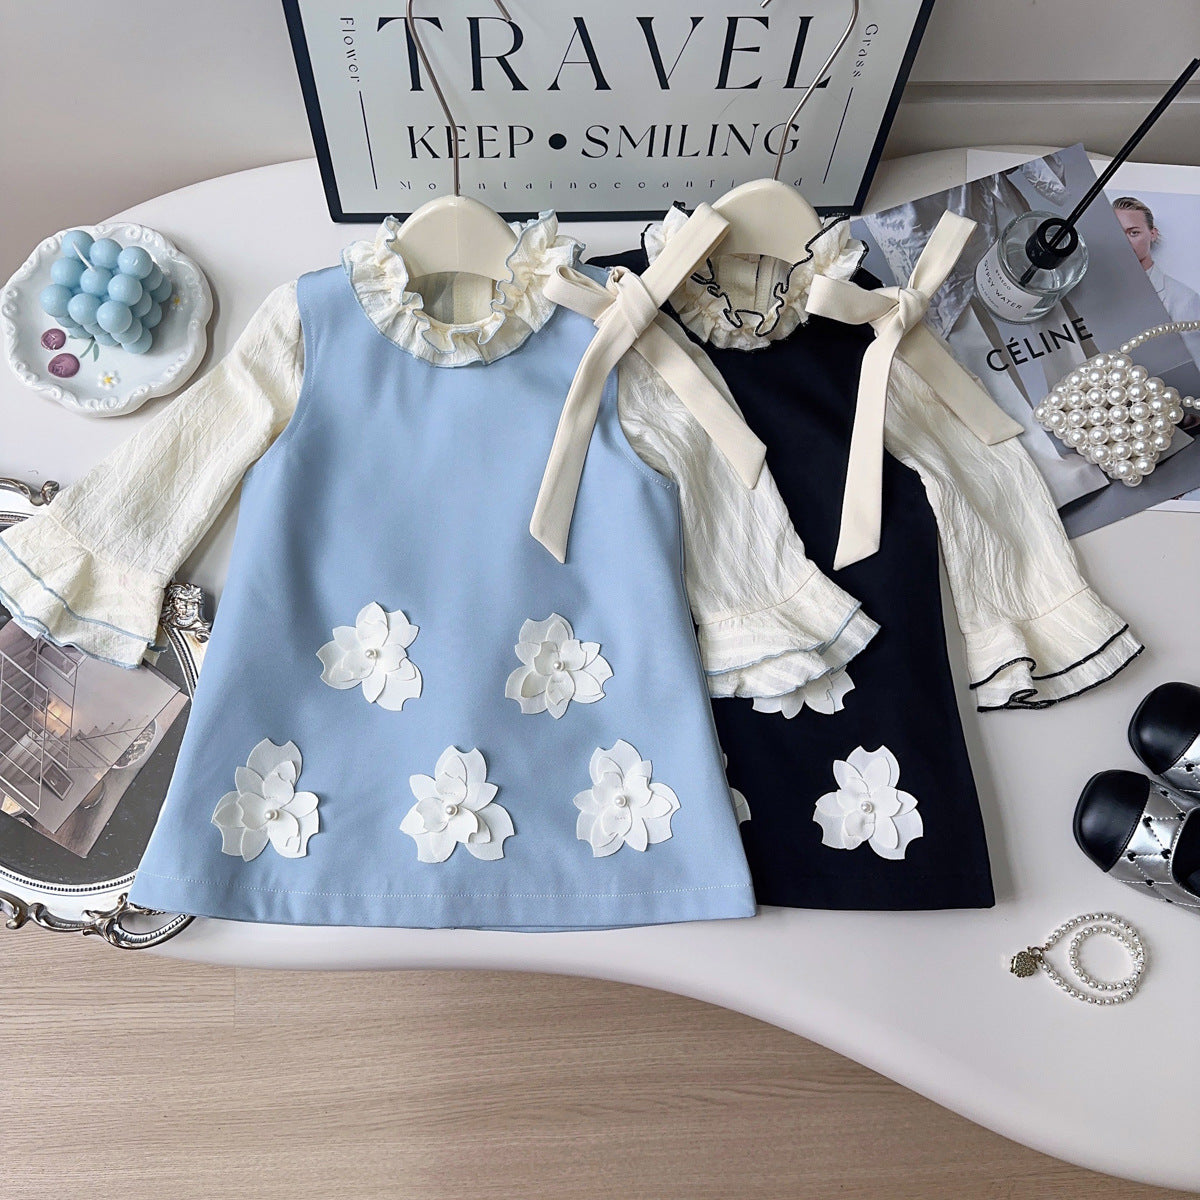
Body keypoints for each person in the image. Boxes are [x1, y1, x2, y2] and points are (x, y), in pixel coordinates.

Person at [1113, 196, 1200, 366]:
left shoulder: (1184, 300)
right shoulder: (1101, 291)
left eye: (1133, 233)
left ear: (1152, 234)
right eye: (1117, 232)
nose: (1125, 241)